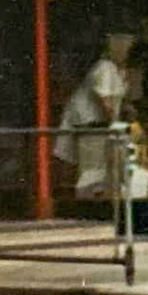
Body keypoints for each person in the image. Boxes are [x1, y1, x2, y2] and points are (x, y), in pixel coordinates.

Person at [58, 33, 134, 196]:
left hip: (100, 123)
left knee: (102, 166)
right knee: (93, 166)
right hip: (89, 122)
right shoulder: (104, 67)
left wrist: (126, 110)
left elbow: (119, 97)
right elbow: (105, 100)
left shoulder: (119, 70)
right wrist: (115, 123)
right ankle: (86, 200)